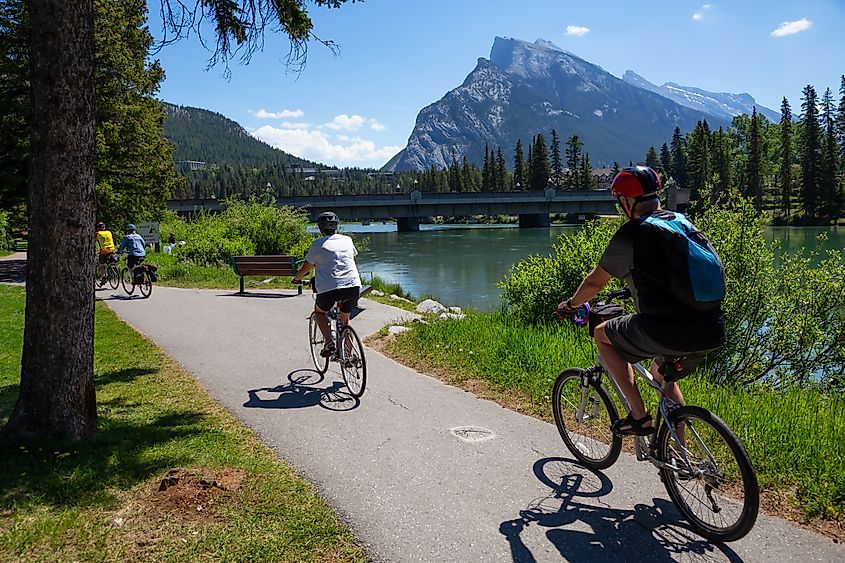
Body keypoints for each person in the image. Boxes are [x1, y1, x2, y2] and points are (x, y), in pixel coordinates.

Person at [557, 166, 725, 436]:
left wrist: (571, 305)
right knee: (663, 375)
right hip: (711, 327)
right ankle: (679, 459)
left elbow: (595, 283)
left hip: (666, 329)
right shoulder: (681, 222)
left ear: (626, 201)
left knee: (602, 335)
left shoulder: (634, 232)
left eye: (618, 201)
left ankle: (639, 417)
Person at [291, 211, 362, 357]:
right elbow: (350, 256)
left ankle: (329, 344)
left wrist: (296, 278)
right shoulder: (348, 240)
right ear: (337, 226)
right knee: (345, 319)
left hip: (329, 289)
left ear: (319, 228)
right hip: (353, 286)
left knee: (319, 312)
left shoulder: (317, 244)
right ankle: (349, 357)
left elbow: (306, 267)